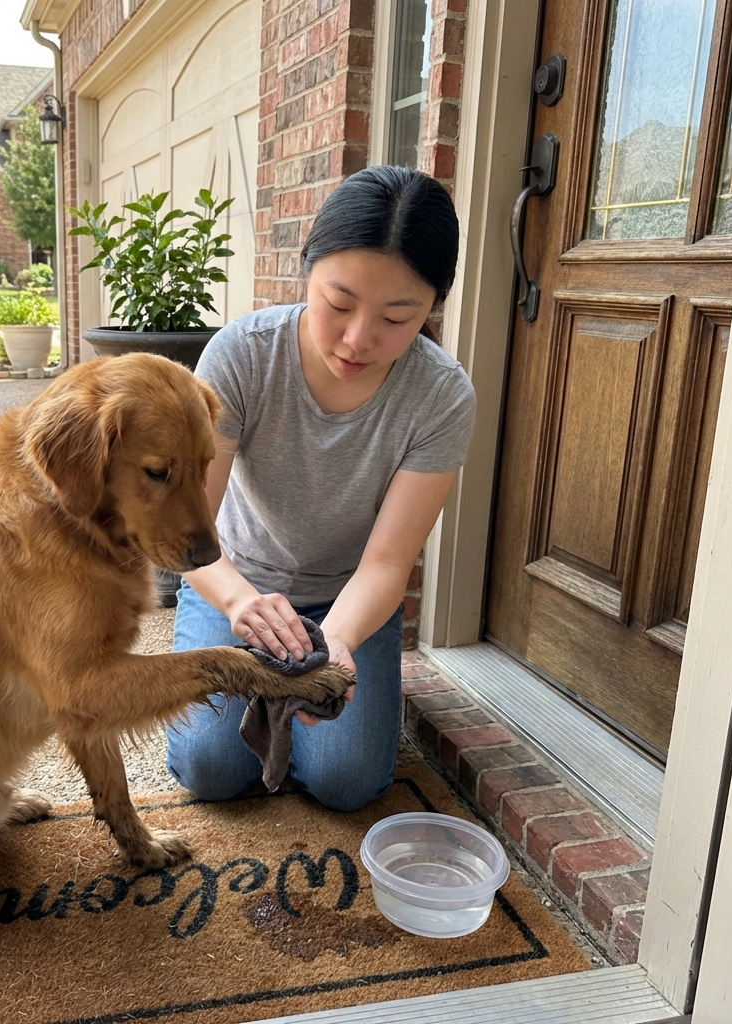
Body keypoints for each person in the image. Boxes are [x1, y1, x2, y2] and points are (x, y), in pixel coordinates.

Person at [165, 165, 476, 812]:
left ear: (432, 306)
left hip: (350, 594)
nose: (360, 339)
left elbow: (388, 562)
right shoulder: (243, 354)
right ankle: (260, 678)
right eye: (338, 305)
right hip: (236, 580)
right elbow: (187, 527)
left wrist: (336, 642)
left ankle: (325, 681)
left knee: (348, 783)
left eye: (399, 317)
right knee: (208, 769)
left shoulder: (441, 396)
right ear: (307, 271)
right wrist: (241, 602)